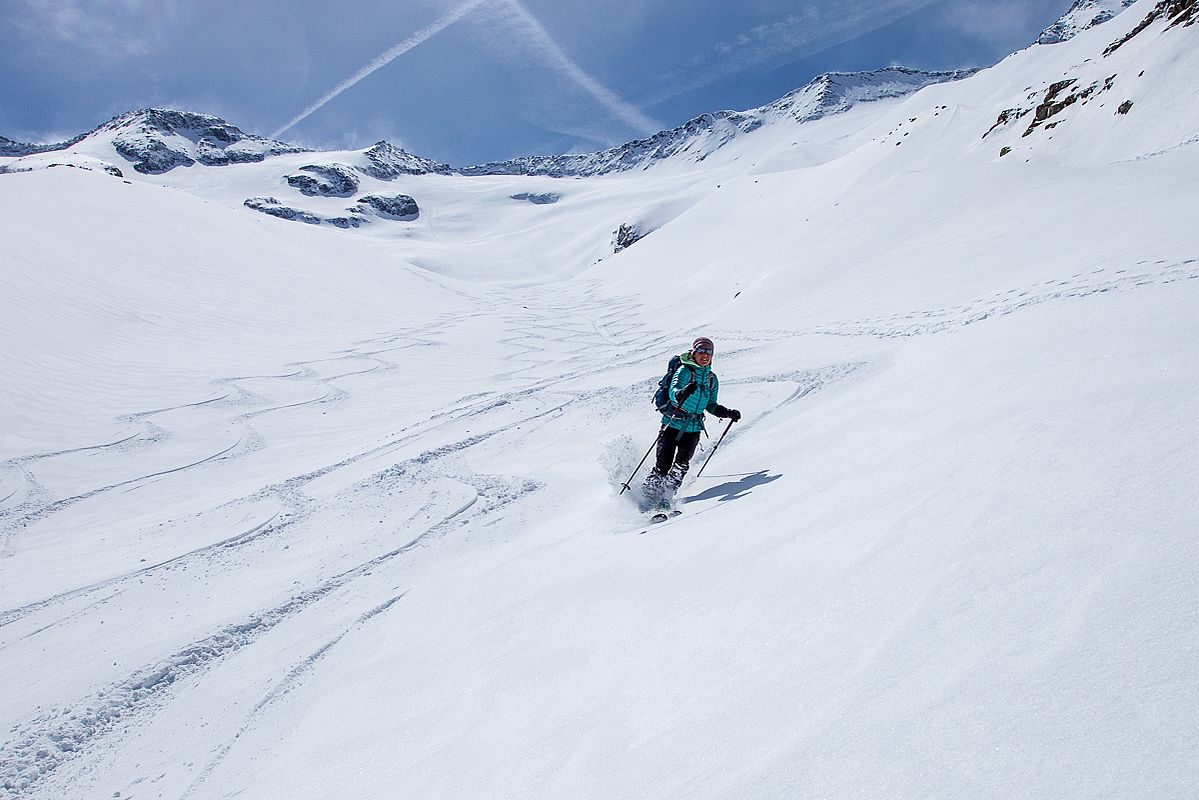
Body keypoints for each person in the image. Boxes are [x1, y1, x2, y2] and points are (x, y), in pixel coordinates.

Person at [644, 336, 741, 502]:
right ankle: (647, 497)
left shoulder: (711, 379)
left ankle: (666, 498)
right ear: (694, 352)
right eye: (701, 351)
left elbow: (711, 404)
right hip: (672, 424)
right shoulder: (684, 371)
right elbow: (673, 392)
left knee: (681, 465)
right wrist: (681, 393)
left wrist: (727, 413)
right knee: (663, 465)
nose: (705, 355)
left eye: (709, 352)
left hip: (694, 428)